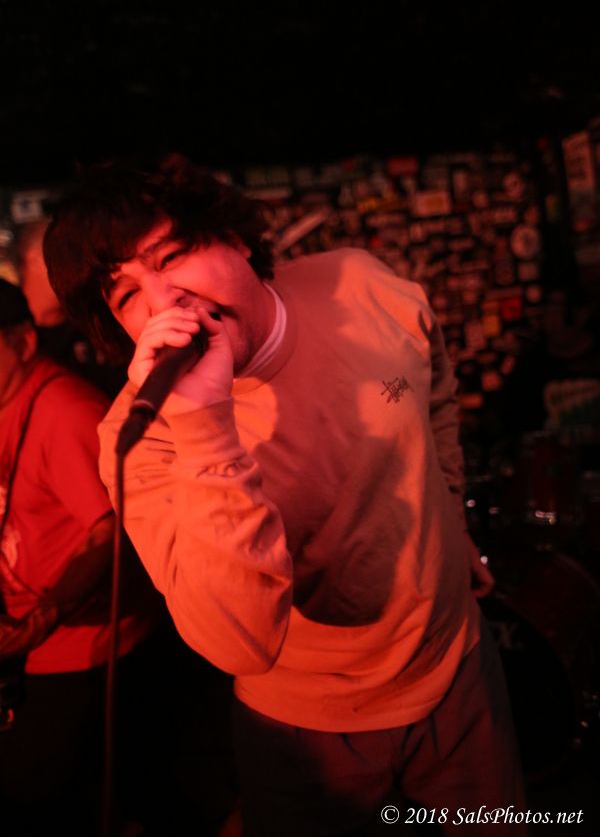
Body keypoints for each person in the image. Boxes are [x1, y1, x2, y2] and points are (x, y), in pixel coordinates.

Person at [44, 154, 526, 836]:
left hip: (458, 669)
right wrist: (205, 426)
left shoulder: (359, 283)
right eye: (126, 296)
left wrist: (451, 514)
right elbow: (238, 643)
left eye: (172, 256)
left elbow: (434, 386)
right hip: (307, 731)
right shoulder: (141, 436)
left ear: (235, 238)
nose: (163, 301)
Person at [0, 278, 159, 837]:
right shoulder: (8, 398)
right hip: (30, 643)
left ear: (23, 342)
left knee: (49, 803)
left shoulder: (64, 411)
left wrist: (44, 616)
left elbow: (113, 530)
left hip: (78, 648)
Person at [18, 216, 126, 397]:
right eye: (68, 255)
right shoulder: (10, 335)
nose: (77, 268)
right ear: (34, 257)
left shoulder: (98, 326)